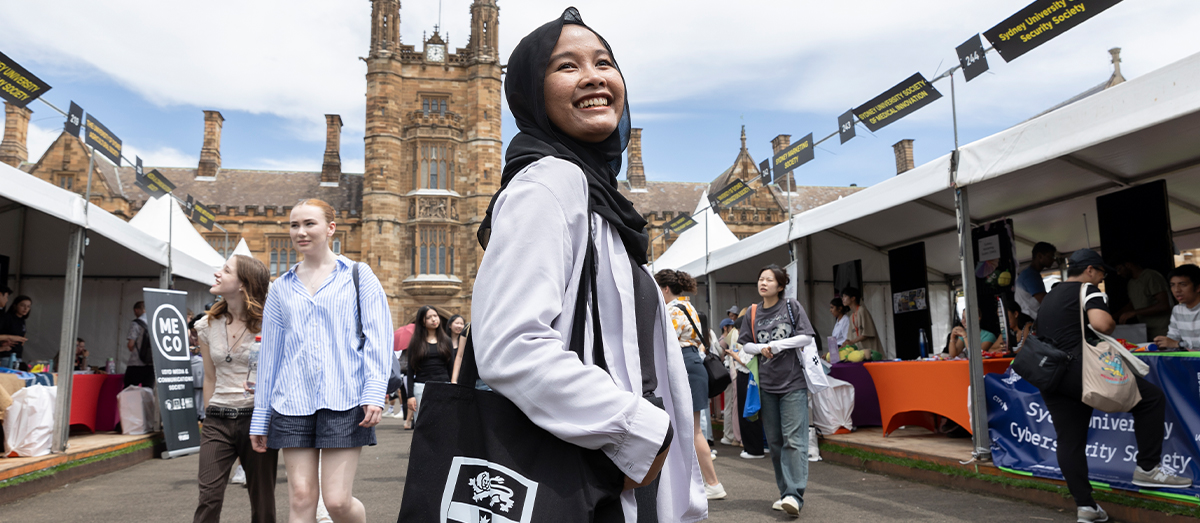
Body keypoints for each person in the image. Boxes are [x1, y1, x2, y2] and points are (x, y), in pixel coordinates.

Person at [471, 8, 704, 521]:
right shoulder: (549, 183)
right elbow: (511, 344)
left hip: (611, 462)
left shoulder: (598, 197)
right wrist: (640, 430)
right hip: (583, 469)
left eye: (604, 62)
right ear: (532, 92)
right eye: (566, 66)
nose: (595, 76)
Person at [249, 198, 392, 523]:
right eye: (294, 225)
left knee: (338, 502)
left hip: (345, 399)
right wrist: (261, 415)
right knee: (301, 498)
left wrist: (374, 392)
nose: (300, 231)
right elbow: (270, 355)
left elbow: (379, 339)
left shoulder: (358, 275)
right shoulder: (280, 288)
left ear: (330, 228)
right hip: (291, 402)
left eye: (309, 223)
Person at [1035, 249, 1190, 523]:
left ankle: (1086, 507)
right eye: (1102, 274)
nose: (1101, 279)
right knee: (1151, 399)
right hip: (1082, 372)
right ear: (1091, 270)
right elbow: (1102, 323)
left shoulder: (1051, 295)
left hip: (1051, 374)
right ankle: (1147, 468)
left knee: (1069, 440)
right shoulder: (1088, 290)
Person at [194, 254, 277, 523]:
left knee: (262, 500)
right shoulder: (206, 325)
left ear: (243, 283)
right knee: (208, 497)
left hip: (257, 418)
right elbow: (209, 377)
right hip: (218, 419)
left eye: (226, 270)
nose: (218, 273)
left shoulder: (270, 324)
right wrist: (208, 416)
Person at [739, 264, 816, 517]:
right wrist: (761, 349)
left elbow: (806, 337)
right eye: (761, 279)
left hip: (793, 383)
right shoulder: (752, 312)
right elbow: (745, 345)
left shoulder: (791, 307)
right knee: (775, 442)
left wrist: (778, 345)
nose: (763, 283)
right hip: (766, 385)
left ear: (781, 286)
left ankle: (795, 494)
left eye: (770, 280)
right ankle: (785, 494)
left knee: (794, 440)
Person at [656, 269, 726, 500]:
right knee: (691, 429)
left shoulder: (672, 310)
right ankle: (703, 483)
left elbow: (663, 342)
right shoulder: (689, 307)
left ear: (665, 288)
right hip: (694, 364)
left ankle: (712, 483)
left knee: (690, 430)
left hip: (684, 365)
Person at [404, 306, 453, 422]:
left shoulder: (446, 341)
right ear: (422, 321)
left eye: (435, 316)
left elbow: (451, 368)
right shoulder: (415, 343)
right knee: (423, 427)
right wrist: (410, 396)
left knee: (444, 425)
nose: (433, 319)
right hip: (422, 387)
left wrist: (452, 388)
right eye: (429, 317)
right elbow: (410, 371)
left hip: (444, 386)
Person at [1115, 257, 1171, 339]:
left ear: (1128, 265)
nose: (1118, 273)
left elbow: (1164, 305)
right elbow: (1133, 304)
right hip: (1146, 331)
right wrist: (1113, 316)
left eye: (1119, 269)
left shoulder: (1151, 276)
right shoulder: (1131, 283)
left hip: (1163, 331)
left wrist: (1134, 312)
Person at [1154, 263, 1200, 351]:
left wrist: (1177, 344)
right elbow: (1173, 338)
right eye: (1172, 285)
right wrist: (1162, 344)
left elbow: (1175, 343)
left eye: (1183, 284)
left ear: (1198, 287)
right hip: (1188, 361)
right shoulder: (1177, 310)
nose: (1176, 290)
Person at [1016, 242, 1056, 319]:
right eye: (1050, 256)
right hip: (1032, 321)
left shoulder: (1029, 273)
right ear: (1039, 256)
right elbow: (1046, 302)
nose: (1053, 259)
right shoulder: (1031, 275)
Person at [840, 287, 880, 361]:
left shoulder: (862, 310)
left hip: (870, 353)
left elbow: (867, 333)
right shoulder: (852, 315)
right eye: (842, 297)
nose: (843, 299)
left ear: (853, 298)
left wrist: (851, 342)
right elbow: (850, 337)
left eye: (845, 296)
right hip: (860, 353)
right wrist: (844, 345)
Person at [125, 301, 155, 388]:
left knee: (129, 391)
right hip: (151, 364)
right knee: (148, 392)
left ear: (136, 310)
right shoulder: (155, 322)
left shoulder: (136, 323)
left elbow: (131, 344)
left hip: (136, 363)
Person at [2, 295, 32, 365]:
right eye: (22, 305)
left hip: (18, 354)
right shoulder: (7, 318)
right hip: (6, 354)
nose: (25, 309)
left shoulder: (22, 320)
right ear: (15, 306)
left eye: (28, 306)